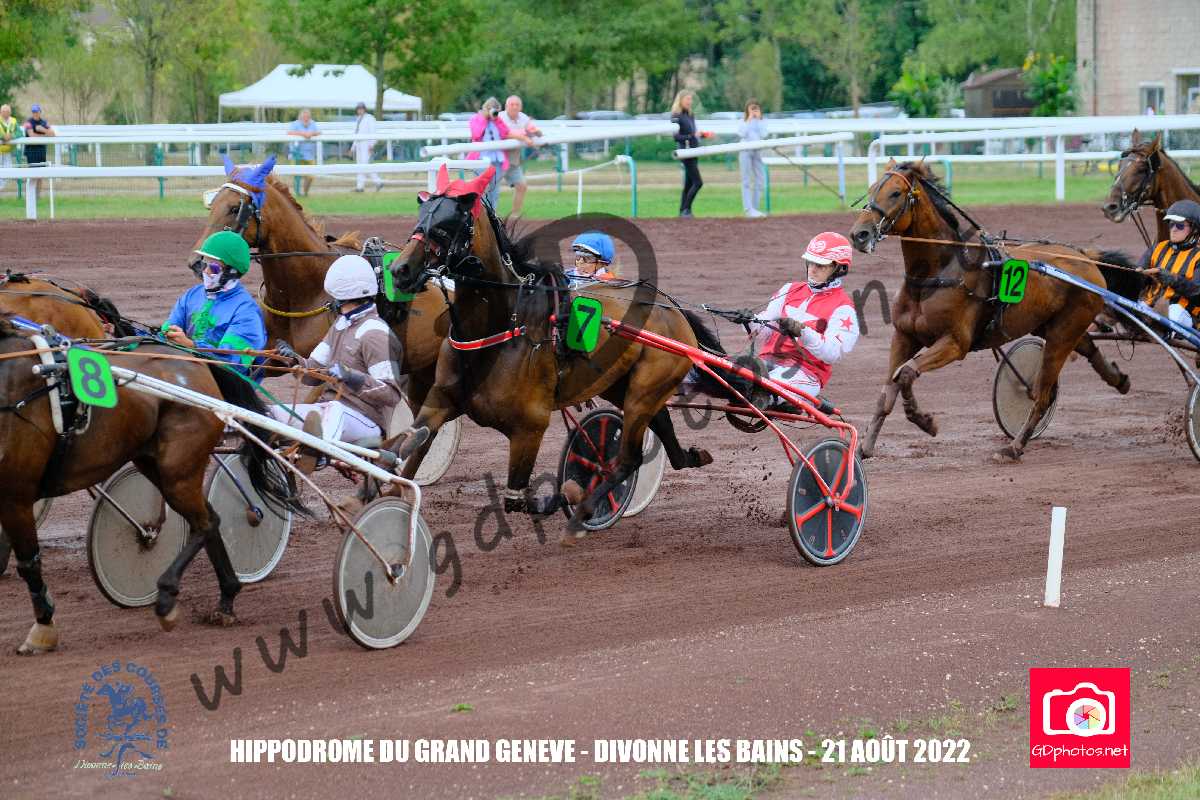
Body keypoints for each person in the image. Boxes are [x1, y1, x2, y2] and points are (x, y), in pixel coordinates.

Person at [271, 255, 405, 478]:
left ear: (345, 297)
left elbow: (391, 394)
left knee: (334, 411)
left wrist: (352, 377)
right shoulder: (339, 326)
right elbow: (312, 373)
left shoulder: (375, 333)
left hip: (367, 422)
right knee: (273, 414)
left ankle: (317, 453)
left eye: (334, 297)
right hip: (328, 412)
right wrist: (293, 360)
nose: (331, 301)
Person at [748, 232, 860, 401]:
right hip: (768, 362)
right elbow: (764, 333)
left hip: (805, 373)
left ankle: (776, 399)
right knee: (729, 375)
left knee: (763, 388)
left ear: (839, 268)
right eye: (811, 262)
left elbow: (832, 353)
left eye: (821, 265)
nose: (812, 269)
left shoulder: (844, 309)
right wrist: (748, 321)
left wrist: (803, 332)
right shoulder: (789, 289)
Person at [163, 231, 267, 374]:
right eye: (204, 264)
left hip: (225, 383)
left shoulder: (246, 312)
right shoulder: (191, 295)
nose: (205, 271)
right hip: (187, 372)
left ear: (232, 271)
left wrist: (191, 346)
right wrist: (167, 334)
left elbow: (232, 363)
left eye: (214, 267)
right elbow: (167, 329)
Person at [1141, 198, 1200, 330]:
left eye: (1179, 226)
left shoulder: (1198, 256)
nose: (1173, 229)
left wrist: (1171, 279)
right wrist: (1140, 276)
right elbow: (1138, 275)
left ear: (1194, 229)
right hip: (1150, 306)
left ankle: (1162, 328)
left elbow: (1198, 293)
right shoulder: (1158, 248)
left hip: (1184, 314)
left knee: (1174, 311)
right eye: (1171, 224)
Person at [466, 97, 526, 210]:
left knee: (494, 190)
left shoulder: (497, 120)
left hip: (498, 161)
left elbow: (505, 133)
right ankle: (478, 214)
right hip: (481, 160)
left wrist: (496, 119)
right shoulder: (475, 119)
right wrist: (484, 118)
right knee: (482, 189)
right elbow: (476, 135)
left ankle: (492, 214)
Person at [670, 90, 711, 218]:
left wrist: (701, 135)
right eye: (687, 99)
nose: (690, 102)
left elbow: (692, 134)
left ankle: (683, 211)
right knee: (698, 182)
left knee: (689, 183)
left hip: (694, 150)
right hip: (685, 152)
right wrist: (692, 136)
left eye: (690, 99)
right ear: (681, 100)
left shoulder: (690, 114)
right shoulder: (676, 116)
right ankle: (686, 209)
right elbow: (676, 137)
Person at [498, 95, 542, 216]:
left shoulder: (523, 117)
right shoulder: (500, 117)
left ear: (521, 107)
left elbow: (534, 130)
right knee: (491, 189)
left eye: (517, 105)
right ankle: (487, 217)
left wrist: (536, 133)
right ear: (506, 106)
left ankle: (515, 216)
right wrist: (524, 137)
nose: (514, 107)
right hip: (497, 159)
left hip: (513, 159)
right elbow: (504, 134)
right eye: (512, 104)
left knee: (522, 186)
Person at [738, 100, 768, 218]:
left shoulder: (762, 121)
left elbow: (764, 134)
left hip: (757, 151)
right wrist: (749, 119)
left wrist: (759, 119)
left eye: (756, 108)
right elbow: (742, 134)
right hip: (745, 151)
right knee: (746, 180)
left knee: (760, 180)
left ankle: (755, 209)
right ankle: (748, 209)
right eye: (752, 108)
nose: (754, 110)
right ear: (747, 109)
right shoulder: (743, 121)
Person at [22, 103, 54, 197]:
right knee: (32, 174)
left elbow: (53, 134)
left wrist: (43, 130)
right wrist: (45, 135)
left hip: (41, 151)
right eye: (33, 112)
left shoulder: (44, 123)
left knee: (40, 175)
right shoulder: (28, 123)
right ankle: (30, 196)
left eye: (36, 111)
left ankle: (37, 196)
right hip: (31, 151)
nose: (35, 113)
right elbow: (32, 135)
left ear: (40, 112)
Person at [287, 108, 320, 197]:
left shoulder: (313, 123)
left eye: (308, 117)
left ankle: (305, 193)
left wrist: (311, 134)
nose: (306, 118)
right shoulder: (295, 124)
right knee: (296, 175)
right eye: (304, 117)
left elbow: (319, 132)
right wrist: (303, 134)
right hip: (297, 154)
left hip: (310, 154)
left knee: (311, 176)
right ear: (300, 117)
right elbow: (289, 133)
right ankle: (297, 193)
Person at [351, 101, 382, 192]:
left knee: (365, 165)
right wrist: (353, 147)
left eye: (361, 109)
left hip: (366, 144)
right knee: (360, 165)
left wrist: (372, 144)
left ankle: (377, 182)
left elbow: (373, 132)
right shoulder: (358, 119)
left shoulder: (370, 118)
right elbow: (356, 133)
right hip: (359, 144)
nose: (359, 110)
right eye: (358, 109)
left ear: (364, 109)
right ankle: (361, 186)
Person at [0, 104, 18, 191]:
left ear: (10, 112)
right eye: (3, 111)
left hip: (8, 150)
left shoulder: (13, 121)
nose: (5, 113)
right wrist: (3, 137)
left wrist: (12, 136)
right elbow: (3, 135)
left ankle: (1, 188)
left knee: (8, 171)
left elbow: (20, 133)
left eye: (7, 111)